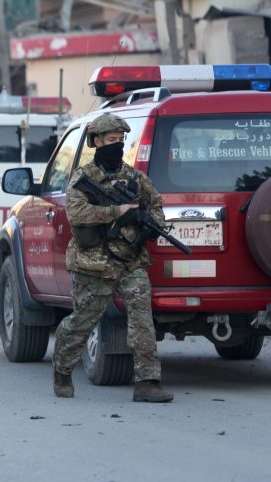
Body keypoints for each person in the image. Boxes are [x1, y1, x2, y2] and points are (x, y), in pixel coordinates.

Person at [52, 113, 173, 403]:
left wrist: (148, 225)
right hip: (93, 262)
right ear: (97, 142)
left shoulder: (134, 178)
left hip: (130, 259)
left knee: (142, 318)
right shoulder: (84, 178)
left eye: (120, 140)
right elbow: (76, 213)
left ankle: (147, 381)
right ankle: (62, 370)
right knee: (83, 320)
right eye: (110, 140)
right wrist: (114, 212)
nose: (116, 146)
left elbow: (155, 205)